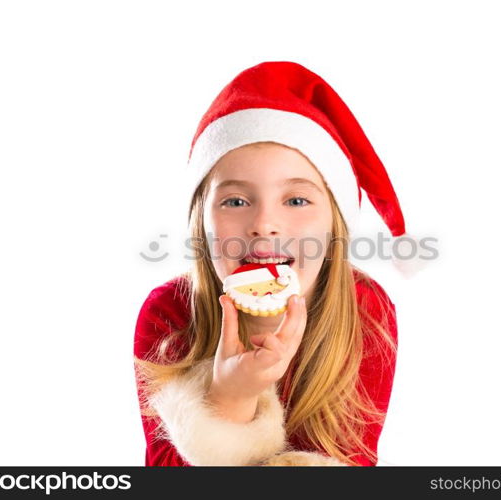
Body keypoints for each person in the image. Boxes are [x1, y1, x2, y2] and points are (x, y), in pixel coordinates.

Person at [133, 61, 416, 466]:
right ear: (201, 224)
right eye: (235, 201)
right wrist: (231, 400)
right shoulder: (169, 314)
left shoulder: (364, 309)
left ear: (334, 225)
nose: (264, 224)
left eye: (296, 200)